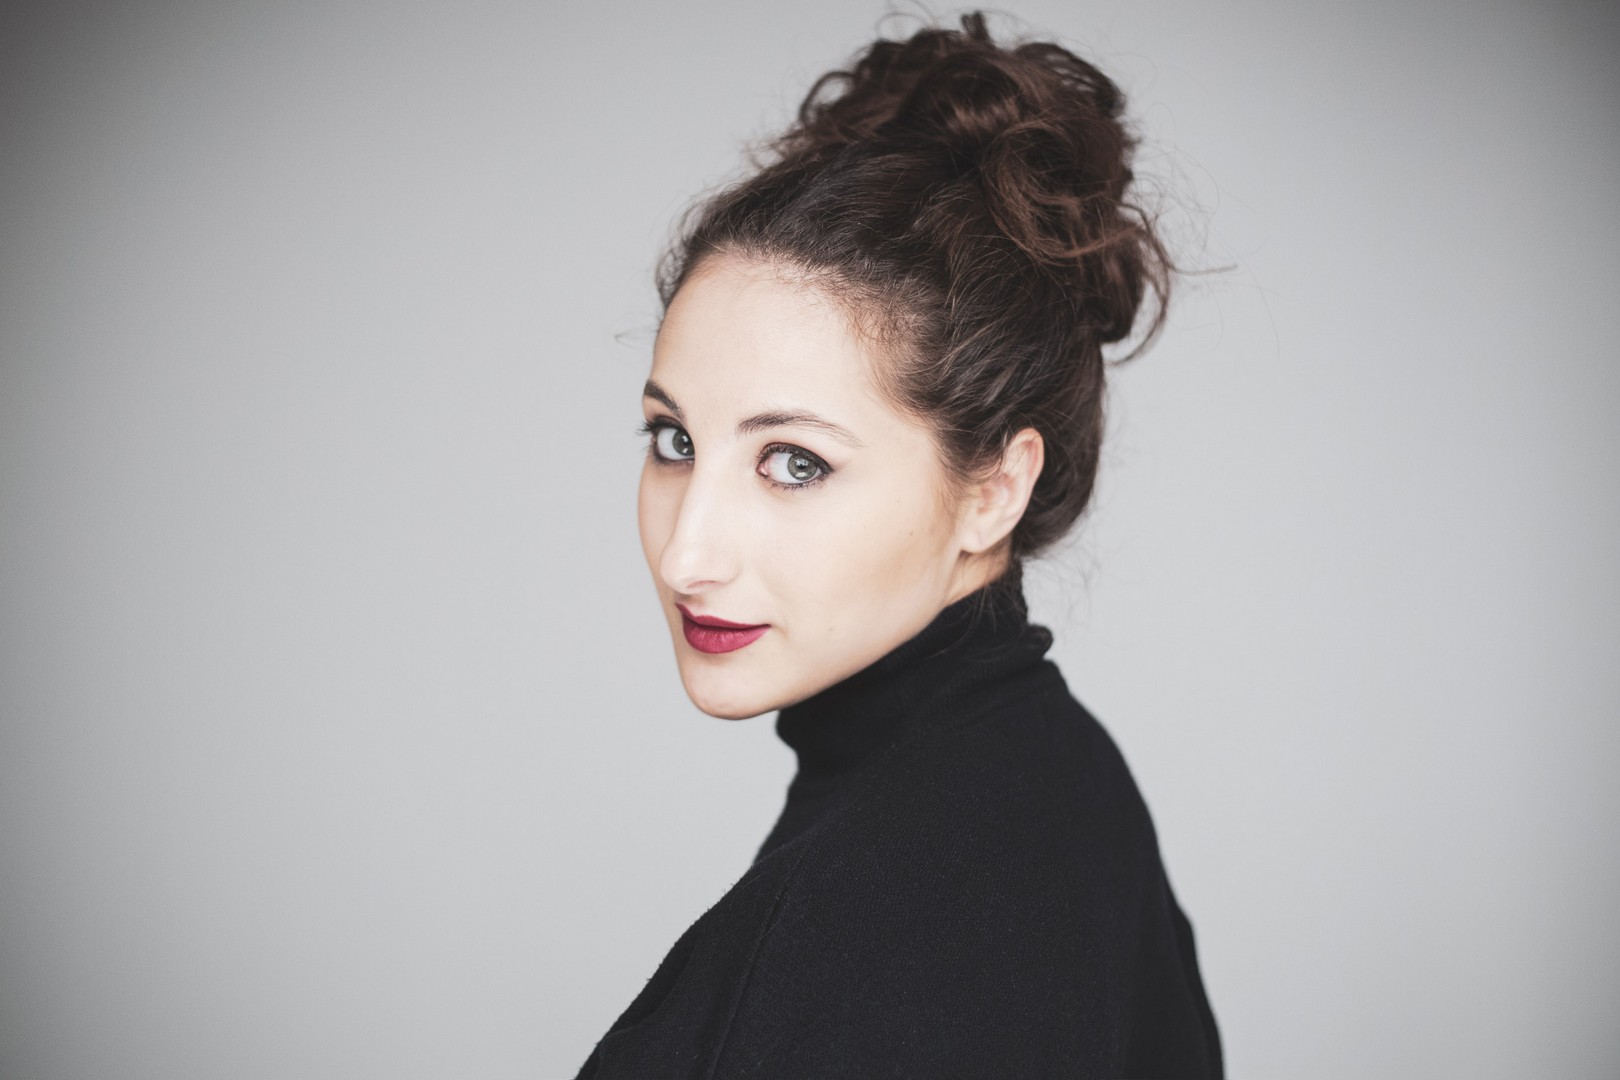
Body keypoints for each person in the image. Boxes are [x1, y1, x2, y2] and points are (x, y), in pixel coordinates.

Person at [577, 13, 1221, 1077]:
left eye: (794, 462)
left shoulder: (880, 917)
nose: (688, 556)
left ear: (993, 490)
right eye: (675, 441)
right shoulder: (1062, 787)